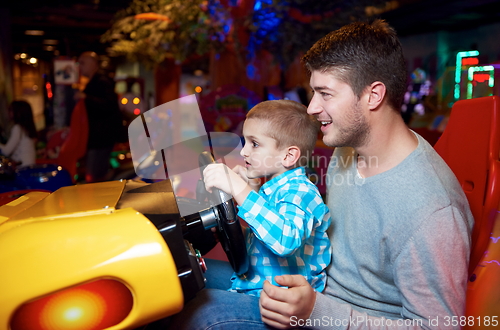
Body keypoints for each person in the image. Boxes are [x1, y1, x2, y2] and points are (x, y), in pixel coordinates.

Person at [169, 19, 474, 330]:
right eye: (312, 93)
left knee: (203, 314)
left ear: (373, 95)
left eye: (325, 94)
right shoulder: (347, 150)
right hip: (310, 285)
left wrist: (315, 311)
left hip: (332, 316)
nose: (312, 108)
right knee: (179, 275)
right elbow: (306, 211)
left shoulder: (432, 209)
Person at [202, 99, 331, 296]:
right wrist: (232, 231)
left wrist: (240, 188)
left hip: (281, 300)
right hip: (257, 283)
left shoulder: (301, 192)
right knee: (189, 273)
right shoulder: (273, 190)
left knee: (200, 308)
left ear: (288, 156)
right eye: (245, 142)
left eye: (254, 144)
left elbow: (285, 241)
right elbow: (264, 247)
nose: (244, 152)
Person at [76, 51, 122, 183]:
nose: (80, 67)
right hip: (99, 137)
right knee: (95, 174)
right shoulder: (95, 82)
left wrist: (86, 98)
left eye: (83, 63)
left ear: (93, 64)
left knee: (94, 176)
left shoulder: (101, 81)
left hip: (101, 138)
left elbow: (109, 105)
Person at [0, 100, 37, 167]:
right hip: (30, 165)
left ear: (18, 113)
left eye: (11, 110)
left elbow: (6, 151)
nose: (9, 113)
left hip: (22, 166)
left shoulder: (18, 128)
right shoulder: (26, 128)